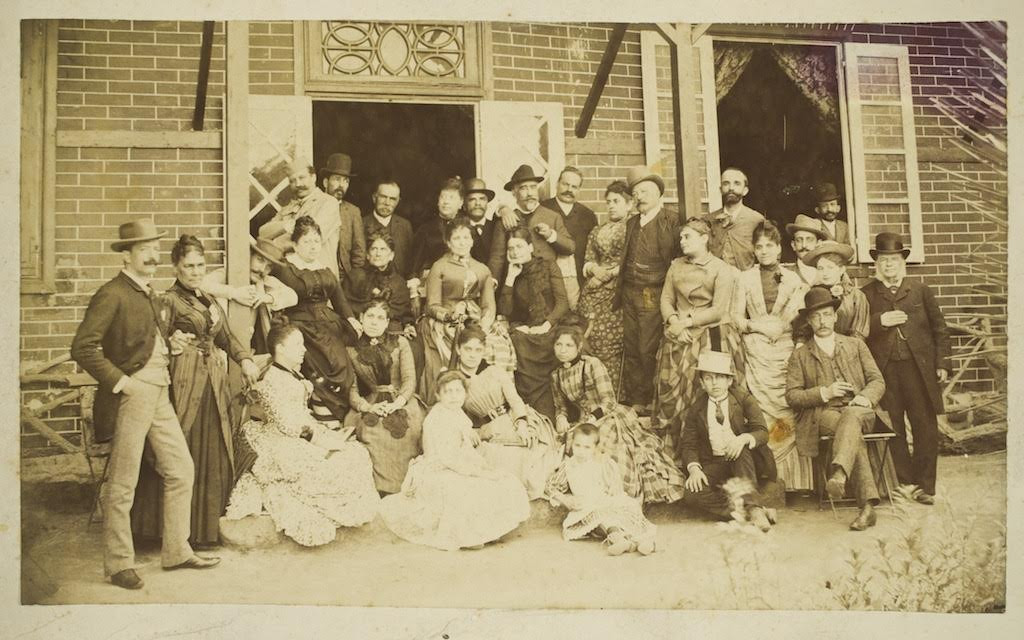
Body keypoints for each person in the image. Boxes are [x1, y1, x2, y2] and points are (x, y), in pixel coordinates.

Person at [70, 219, 218, 590]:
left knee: (181, 468)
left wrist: (171, 347)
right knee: (123, 482)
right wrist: (123, 383)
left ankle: (177, 549)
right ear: (126, 255)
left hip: (159, 391)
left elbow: (147, 343)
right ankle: (119, 564)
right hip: (132, 397)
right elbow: (83, 347)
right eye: (144, 249)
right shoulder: (112, 294)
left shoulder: (148, 294)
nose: (153, 256)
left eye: (155, 248)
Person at [130, 235, 262, 548]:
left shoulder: (209, 299)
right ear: (176, 268)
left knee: (211, 450)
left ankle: (201, 530)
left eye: (200, 265)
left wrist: (244, 360)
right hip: (184, 385)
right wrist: (173, 344)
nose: (195, 271)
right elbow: (153, 342)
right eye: (188, 266)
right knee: (178, 450)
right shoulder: (168, 301)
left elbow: (226, 337)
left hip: (212, 387)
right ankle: (158, 531)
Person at [224, 321, 380, 546]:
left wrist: (329, 434)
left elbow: (301, 416)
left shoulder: (292, 374)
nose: (304, 349)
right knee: (340, 460)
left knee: (355, 452)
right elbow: (288, 425)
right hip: (281, 440)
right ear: (281, 349)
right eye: (297, 344)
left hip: (298, 433)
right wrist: (324, 441)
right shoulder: (273, 379)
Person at [378, 370, 531, 551]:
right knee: (464, 489)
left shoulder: (457, 413)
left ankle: (487, 531)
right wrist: (478, 471)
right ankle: (471, 536)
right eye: (448, 392)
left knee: (504, 480)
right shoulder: (437, 417)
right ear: (438, 395)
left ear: (465, 394)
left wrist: (481, 467)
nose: (453, 396)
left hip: (456, 465)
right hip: (438, 468)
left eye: (458, 391)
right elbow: (448, 457)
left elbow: (464, 449)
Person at [861, 232, 952, 505]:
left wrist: (942, 364)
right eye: (884, 260)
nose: (889, 264)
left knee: (925, 426)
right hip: (886, 371)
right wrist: (880, 321)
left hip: (918, 370)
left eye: (894, 259)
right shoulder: (867, 294)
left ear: (903, 261)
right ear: (877, 263)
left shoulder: (920, 291)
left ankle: (926, 486)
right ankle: (904, 482)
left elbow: (941, 330)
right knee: (893, 425)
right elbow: (859, 332)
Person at [785, 286, 886, 531]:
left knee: (851, 417)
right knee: (850, 429)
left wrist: (864, 398)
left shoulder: (855, 345)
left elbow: (878, 381)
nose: (822, 321)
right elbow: (792, 396)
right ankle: (867, 507)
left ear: (835, 316)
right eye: (816, 316)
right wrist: (824, 393)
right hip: (824, 414)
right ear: (809, 321)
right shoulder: (800, 356)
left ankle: (839, 474)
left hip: (861, 410)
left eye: (827, 314)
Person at [550, 326, 686, 505]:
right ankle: (586, 494)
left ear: (579, 346)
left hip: (607, 416)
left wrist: (592, 420)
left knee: (604, 444)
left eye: (568, 345)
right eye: (559, 344)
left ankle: (617, 497)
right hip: (584, 420)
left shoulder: (591, 364)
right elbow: (561, 406)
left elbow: (608, 401)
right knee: (568, 445)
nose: (563, 350)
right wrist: (561, 417)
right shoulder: (556, 375)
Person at [651, 217, 744, 455]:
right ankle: (678, 454)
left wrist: (687, 323)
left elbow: (718, 309)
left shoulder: (721, 269)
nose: (682, 241)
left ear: (704, 239)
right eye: (681, 237)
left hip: (712, 335)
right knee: (671, 393)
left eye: (687, 236)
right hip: (678, 335)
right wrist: (673, 322)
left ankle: (712, 453)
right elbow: (666, 299)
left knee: (706, 391)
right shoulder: (676, 266)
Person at [733, 221, 813, 491]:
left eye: (769, 245)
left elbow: (799, 319)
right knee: (760, 411)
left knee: (785, 409)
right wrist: (756, 326)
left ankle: (793, 483)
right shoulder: (743, 278)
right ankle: (768, 477)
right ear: (753, 250)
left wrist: (780, 328)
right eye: (759, 246)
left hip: (784, 351)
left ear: (780, 249)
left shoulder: (793, 280)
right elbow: (735, 317)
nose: (764, 251)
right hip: (755, 350)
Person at [455, 326, 563, 500]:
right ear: (458, 349)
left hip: (515, 417)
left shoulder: (495, 371)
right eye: (468, 349)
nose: (472, 355)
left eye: (478, 350)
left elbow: (515, 400)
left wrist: (521, 422)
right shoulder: (455, 381)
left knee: (531, 448)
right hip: (490, 429)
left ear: (484, 351)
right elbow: (456, 416)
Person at [271, 215, 361, 420]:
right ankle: (321, 415)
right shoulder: (285, 268)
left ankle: (336, 417)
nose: (313, 247)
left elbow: (339, 300)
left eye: (316, 241)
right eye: (307, 241)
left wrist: (352, 320)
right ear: (295, 244)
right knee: (320, 363)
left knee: (341, 363)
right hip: (300, 325)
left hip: (328, 324)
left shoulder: (324, 269)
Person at [419, 219, 515, 403]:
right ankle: (458, 397)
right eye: (456, 238)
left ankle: (494, 397)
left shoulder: (482, 269)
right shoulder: (439, 266)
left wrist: (484, 326)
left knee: (497, 342)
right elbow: (432, 305)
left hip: (474, 317)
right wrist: (449, 316)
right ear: (448, 242)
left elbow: (488, 305)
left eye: (466, 237)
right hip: (445, 318)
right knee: (458, 340)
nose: (462, 242)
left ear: (472, 241)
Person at [680, 351, 775, 531]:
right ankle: (752, 511)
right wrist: (693, 469)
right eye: (708, 378)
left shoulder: (744, 399)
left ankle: (753, 509)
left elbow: (762, 432)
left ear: (729, 381)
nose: (714, 383)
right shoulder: (697, 408)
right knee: (691, 493)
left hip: (746, 462)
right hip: (716, 462)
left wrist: (743, 439)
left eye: (720, 378)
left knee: (740, 450)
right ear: (702, 383)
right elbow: (689, 444)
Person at [614, 165, 682, 415]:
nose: (639, 197)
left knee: (647, 348)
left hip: (654, 293)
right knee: (631, 347)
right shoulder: (632, 221)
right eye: (635, 193)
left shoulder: (671, 220)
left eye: (644, 191)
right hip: (630, 293)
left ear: (658, 194)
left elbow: (677, 257)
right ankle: (637, 400)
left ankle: (653, 401)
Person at [344, 299, 426, 495]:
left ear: (387, 322)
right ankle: (381, 491)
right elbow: (352, 389)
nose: (374, 322)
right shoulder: (351, 350)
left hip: (401, 399)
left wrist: (398, 403)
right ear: (361, 318)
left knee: (412, 428)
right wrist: (367, 407)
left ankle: (409, 489)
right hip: (372, 403)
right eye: (370, 316)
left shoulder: (400, 343)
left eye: (380, 318)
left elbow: (409, 380)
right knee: (373, 432)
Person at [545, 423, 656, 556]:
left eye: (587, 447)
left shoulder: (601, 463)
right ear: (572, 444)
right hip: (587, 506)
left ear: (595, 448)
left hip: (605, 500)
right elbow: (551, 486)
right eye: (577, 445)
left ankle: (644, 542)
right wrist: (565, 499)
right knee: (602, 519)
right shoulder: (569, 466)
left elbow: (614, 483)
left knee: (625, 512)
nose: (581, 451)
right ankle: (619, 540)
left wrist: (614, 488)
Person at [498, 227, 571, 421]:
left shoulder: (549, 266)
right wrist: (510, 278)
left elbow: (563, 302)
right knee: (518, 342)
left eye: (519, 247)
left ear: (530, 247)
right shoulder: (512, 272)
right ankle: (531, 414)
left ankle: (557, 413)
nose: (515, 252)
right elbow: (505, 311)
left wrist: (547, 325)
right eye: (510, 249)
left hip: (552, 325)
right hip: (527, 329)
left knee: (557, 343)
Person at [577, 180, 634, 394]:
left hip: (619, 291)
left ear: (629, 204)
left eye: (616, 201)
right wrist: (594, 270)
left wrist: (608, 274)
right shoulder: (596, 230)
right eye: (608, 201)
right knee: (590, 339)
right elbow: (588, 259)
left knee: (613, 344)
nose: (611, 205)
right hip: (593, 291)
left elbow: (631, 260)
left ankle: (616, 397)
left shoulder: (633, 228)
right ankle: (594, 396)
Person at [201, 236, 297, 355]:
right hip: (219, 349)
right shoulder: (229, 273)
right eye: (260, 260)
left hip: (249, 350)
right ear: (249, 256)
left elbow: (293, 296)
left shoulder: (264, 281)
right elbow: (201, 283)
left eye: (268, 266)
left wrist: (266, 297)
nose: (262, 269)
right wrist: (234, 293)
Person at [487, 164, 575, 285]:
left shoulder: (553, 216)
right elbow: (497, 257)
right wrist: (493, 282)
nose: (530, 193)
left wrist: (551, 235)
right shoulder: (506, 218)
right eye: (523, 188)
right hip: (516, 287)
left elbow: (570, 247)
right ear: (514, 192)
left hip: (547, 286)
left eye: (533, 187)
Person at [258, 159, 346, 280]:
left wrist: (274, 244)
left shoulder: (329, 203)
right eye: (292, 181)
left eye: (302, 177)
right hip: (291, 277)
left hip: (319, 278)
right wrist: (287, 225)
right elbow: (263, 232)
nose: (298, 184)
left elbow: (308, 236)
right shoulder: (288, 208)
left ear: (313, 177)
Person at [540, 166, 598, 309]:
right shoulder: (542, 208)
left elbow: (593, 252)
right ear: (557, 184)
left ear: (579, 190)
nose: (569, 190)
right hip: (546, 280)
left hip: (578, 281)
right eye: (565, 184)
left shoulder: (588, 216)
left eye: (574, 187)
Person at [344, 230, 416, 339]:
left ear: (391, 255)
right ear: (367, 255)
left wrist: (408, 325)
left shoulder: (398, 282)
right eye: (374, 249)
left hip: (389, 331)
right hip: (359, 328)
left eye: (383, 249)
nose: (378, 254)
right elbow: (346, 306)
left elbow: (404, 313)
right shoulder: (355, 276)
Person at [794, 240, 869, 342]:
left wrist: (845, 348)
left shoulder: (856, 296)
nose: (825, 273)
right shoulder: (810, 295)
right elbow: (802, 329)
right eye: (821, 268)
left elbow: (859, 332)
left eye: (830, 267)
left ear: (841, 269)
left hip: (849, 350)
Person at [702, 168, 766, 272]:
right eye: (726, 184)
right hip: (714, 280)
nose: (731, 188)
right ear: (720, 189)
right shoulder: (708, 220)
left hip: (745, 279)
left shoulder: (756, 219)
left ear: (745, 191)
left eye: (737, 183)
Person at [319, 152, 368, 279]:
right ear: (325, 182)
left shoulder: (352, 212)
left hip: (343, 276)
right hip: (319, 273)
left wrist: (354, 278)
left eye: (346, 181)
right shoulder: (316, 206)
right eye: (337, 179)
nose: (341, 185)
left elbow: (359, 250)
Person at [412, 176, 465, 281]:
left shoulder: (468, 228)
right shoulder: (425, 230)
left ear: (461, 203)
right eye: (443, 197)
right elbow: (414, 268)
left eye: (451, 197)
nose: (446, 201)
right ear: (438, 201)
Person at [362, 179, 415, 280]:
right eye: (383, 197)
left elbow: (410, 263)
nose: (387, 203)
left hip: (399, 287)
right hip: (369, 287)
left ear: (398, 202)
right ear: (374, 198)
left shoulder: (405, 226)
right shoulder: (361, 224)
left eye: (392, 199)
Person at [461, 177, 498, 266]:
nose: (478, 203)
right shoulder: (459, 229)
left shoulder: (496, 227)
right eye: (472, 199)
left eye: (482, 199)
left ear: (487, 203)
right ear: (464, 205)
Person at [784, 213, 828, 286]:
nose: (804, 245)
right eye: (799, 240)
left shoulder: (829, 271)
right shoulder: (785, 273)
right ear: (793, 245)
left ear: (819, 244)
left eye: (809, 240)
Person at [810, 182, 853, 249]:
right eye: (824, 206)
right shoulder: (814, 225)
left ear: (838, 208)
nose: (829, 209)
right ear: (817, 210)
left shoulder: (844, 226)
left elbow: (848, 249)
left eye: (832, 204)